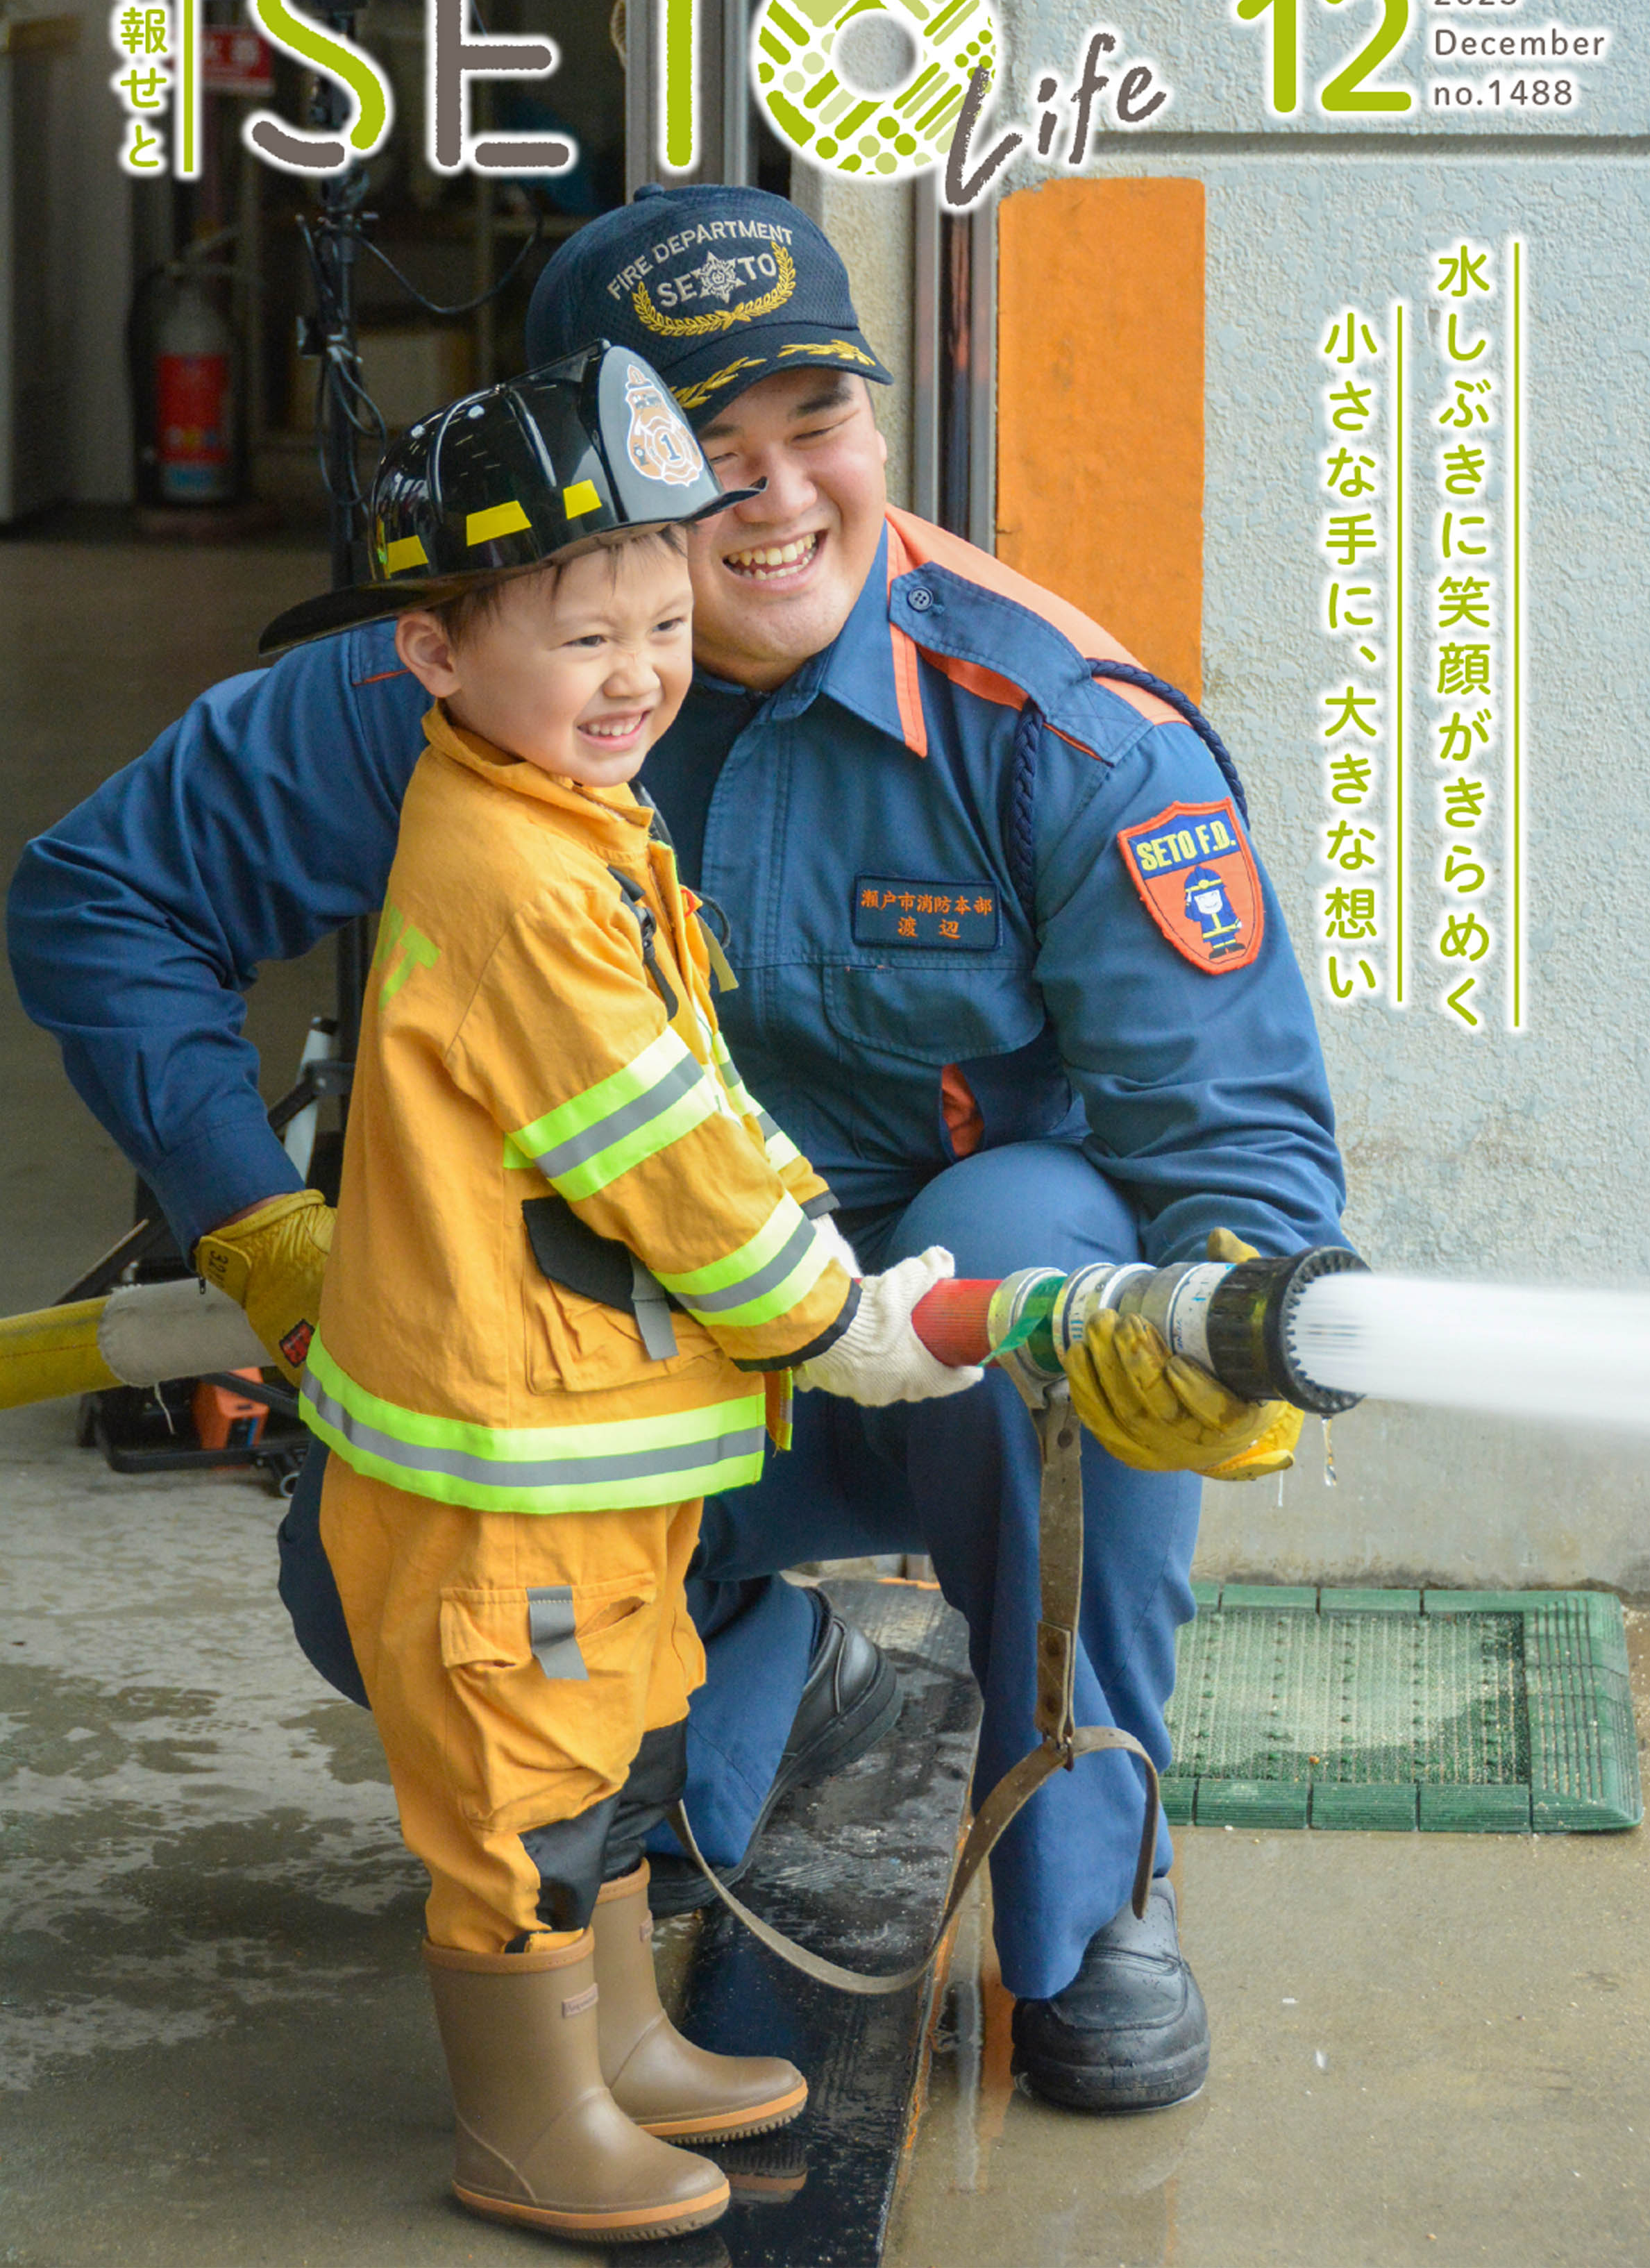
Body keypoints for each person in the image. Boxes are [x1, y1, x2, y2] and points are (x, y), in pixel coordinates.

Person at [8, 183, 1348, 2115]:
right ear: (592, 480)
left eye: (818, 422)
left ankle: (1085, 1885)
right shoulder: (452, 684)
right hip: (605, 1384)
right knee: (368, 1583)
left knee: (1056, 1229)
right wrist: (261, 1224)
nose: (780, 494)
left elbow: (1227, 1127)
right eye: (708, 453)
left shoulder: (1051, 726)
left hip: (924, 1346)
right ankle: (753, 1692)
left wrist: (1219, 1316)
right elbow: (101, 897)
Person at [263, 344, 979, 2242]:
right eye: (587, 636)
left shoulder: (577, 816)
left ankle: (620, 2047)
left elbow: (701, 1092)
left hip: (588, 1444)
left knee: (617, 1746)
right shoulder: (512, 865)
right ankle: (525, 2118)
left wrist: (817, 1248)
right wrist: (838, 1318)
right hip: (497, 1468)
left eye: (665, 625)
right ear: (436, 650)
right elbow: (657, 1145)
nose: (643, 675)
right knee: (522, 1801)